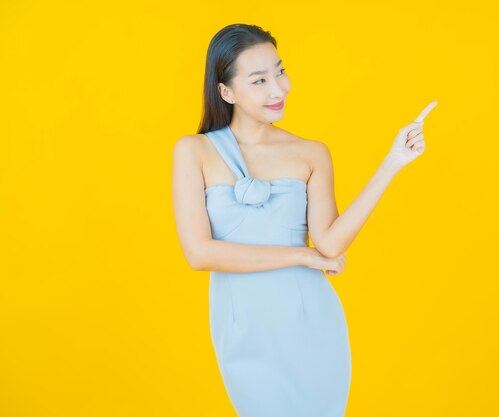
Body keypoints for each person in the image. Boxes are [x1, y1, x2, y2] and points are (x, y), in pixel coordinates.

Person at [172, 23, 436, 417]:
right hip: (244, 329)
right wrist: (303, 257)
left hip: (311, 323)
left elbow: (329, 244)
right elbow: (199, 254)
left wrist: (393, 162)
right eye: (259, 80)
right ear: (226, 91)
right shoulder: (194, 151)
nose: (278, 88)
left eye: (280, 71)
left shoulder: (311, 153)